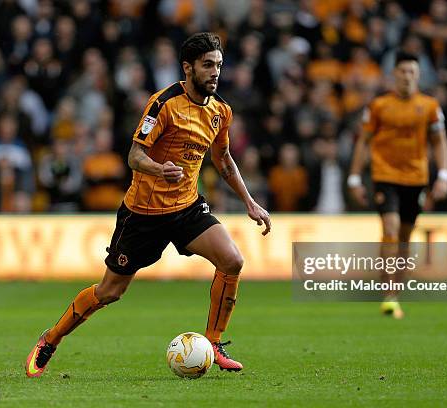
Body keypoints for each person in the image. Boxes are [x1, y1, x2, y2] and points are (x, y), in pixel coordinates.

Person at [25, 32, 271, 377]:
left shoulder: (220, 112)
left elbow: (224, 158)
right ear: (188, 68)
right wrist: (160, 169)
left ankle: (213, 342)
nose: (215, 72)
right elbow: (134, 155)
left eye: (218, 64)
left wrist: (250, 201)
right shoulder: (164, 103)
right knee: (110, 291)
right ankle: (51, 338)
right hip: (143, 214)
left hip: (186, 208)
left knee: (232, 260)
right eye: (207, 65)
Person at [348, 52, 447, 319]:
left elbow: (439, 143)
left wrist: (444, 176)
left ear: (418, 76)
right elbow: (363, 141)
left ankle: (396, 291)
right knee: (390, 227)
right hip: (385, 176)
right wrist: (355, 177)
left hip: (416, 179)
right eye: (403, 71)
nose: (407, 76)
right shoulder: (379, 106)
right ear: (394, 74)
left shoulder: (429, 107)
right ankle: (388, 293)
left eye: (412, 72)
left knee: (405, 236)